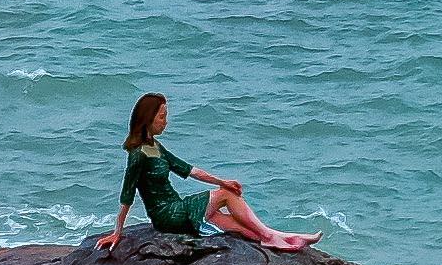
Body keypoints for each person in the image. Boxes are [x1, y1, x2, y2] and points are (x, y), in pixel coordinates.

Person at [107, 91, 315, 249]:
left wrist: (221, 181)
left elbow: (189, 169)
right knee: (226, 195)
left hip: (178, 207)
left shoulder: (155, 147)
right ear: (147, 119)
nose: (166, 122)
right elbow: (127, 196)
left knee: (235, 224)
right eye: (162, 117)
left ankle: (280, 238)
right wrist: (117, 232)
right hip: (168, 216)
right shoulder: (138, 155)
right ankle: (271, 236)